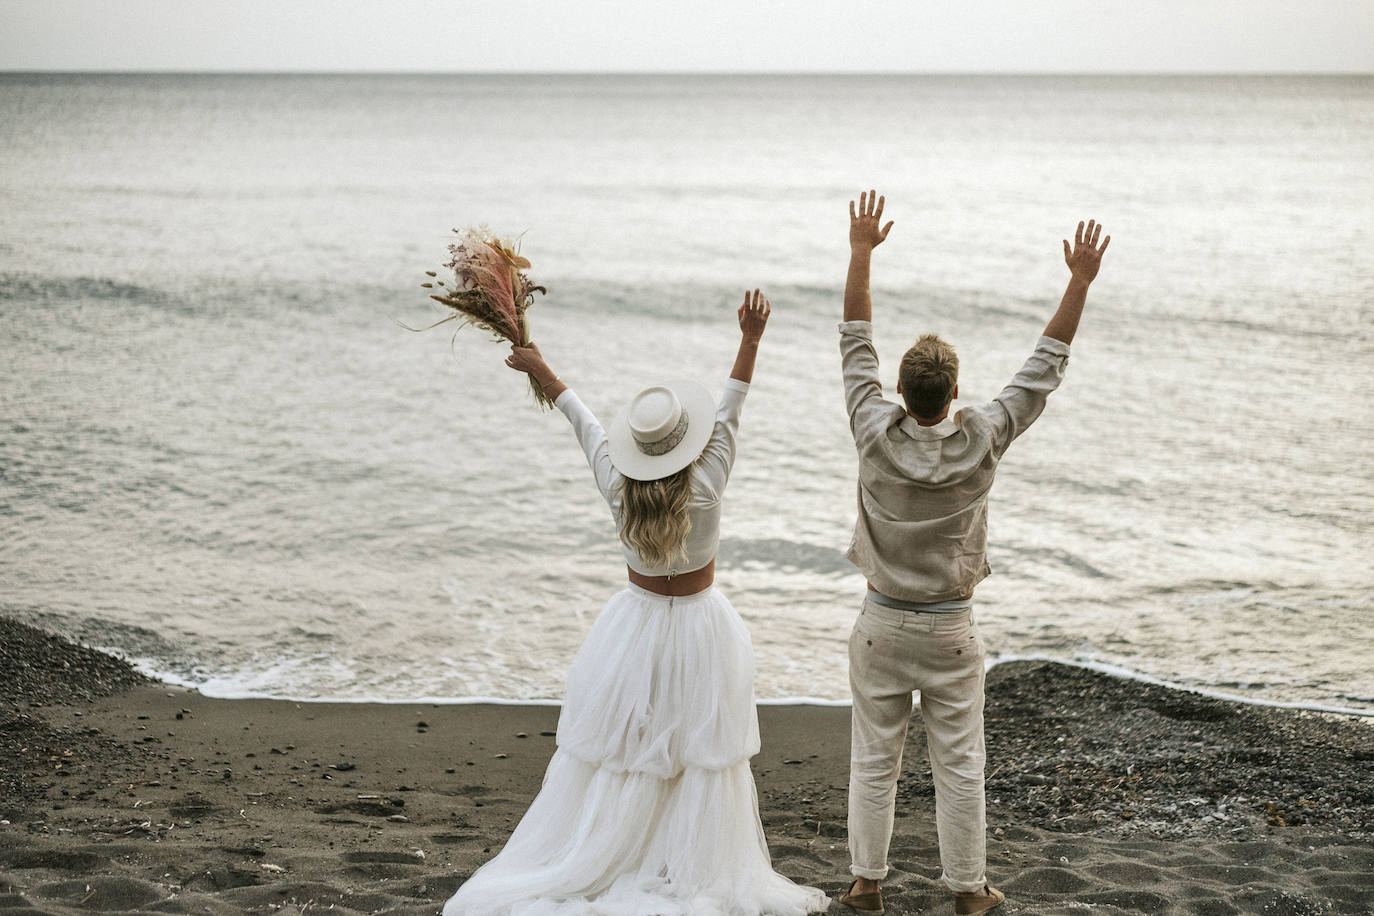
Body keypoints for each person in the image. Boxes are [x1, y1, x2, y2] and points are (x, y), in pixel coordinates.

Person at [442, 290, 829, 916]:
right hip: (703, 626)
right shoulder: (707, 483)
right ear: (686, 442)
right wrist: (751, 338)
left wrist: (543, 371)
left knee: (625, 751)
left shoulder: (618, 485)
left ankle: (616, 851)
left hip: (635, 626)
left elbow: (583, 421)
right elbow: (733, 404)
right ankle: (678, 862)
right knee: (696, 755)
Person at [836, 191, 1110, 915]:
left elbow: (854, 336)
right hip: (951, 629)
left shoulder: (872, 425)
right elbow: (1044, 366)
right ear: (955, 393)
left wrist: (862, 249)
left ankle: (867, 885)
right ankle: (967, 893)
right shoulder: (984, 434)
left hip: (881, 623)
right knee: (959, 766)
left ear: (899, 388)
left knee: (874, 760)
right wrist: (1078, 281)